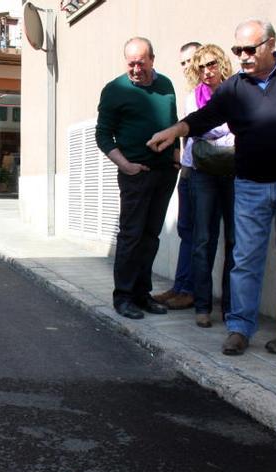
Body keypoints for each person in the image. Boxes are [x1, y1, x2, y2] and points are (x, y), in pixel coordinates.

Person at [148, 19, 276, 356]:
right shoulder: (234, 87)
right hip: (250, 186)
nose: (243, 56)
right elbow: (205, 117)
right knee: (245, 259)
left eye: (250, 49)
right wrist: (174, 132)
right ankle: (239, 328)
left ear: (271, 43)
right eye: (238, 50)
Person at [96, 36, 180, 320]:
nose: (135, 69)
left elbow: (173, 123)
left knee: (151, 236)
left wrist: (177, 156)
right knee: (131, 236)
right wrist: (126, 165)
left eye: (140, 63)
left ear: (152, 60)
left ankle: (143, 295)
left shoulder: (166, 85)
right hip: (135, 175)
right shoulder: (115, 90)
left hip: (165, 174)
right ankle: (124, 297)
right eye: (130, 63)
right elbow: (103, 135)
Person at [183, 44, 236, 329]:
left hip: (234, 171)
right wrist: (227, 126)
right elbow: (198, 126)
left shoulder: (236, 91)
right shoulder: (193, 97)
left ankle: (230, 307)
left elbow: (236, 124)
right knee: (203, 240)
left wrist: (215, 126)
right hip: (203, 172)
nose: (207, 71)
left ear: (222, 64)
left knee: (235, 241)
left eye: (211, 64)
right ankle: (203, 306)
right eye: (200, 67)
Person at [153, 41, 201, 311]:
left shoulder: (211, 93)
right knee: (186, 230)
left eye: (191, 60)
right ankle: (181, 285)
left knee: (199, 234)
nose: (187, 67)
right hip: (188, 168)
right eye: (182, 63)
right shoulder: (190, 94)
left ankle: (192, 290)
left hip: (208, 172)